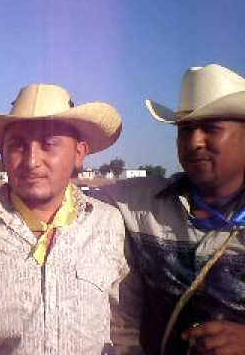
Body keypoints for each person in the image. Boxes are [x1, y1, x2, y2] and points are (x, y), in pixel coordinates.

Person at [0, 83, 128, 354]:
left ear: (79, 153)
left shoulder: (109, 225)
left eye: (48, 145)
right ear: (2, 154)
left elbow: (123, 325)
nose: (32, 161)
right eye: (18, 146)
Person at [101, 64, 245, 354]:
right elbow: (62, 202)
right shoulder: (138, 204)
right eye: (185, 130)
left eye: (211, 129)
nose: (194, 142)